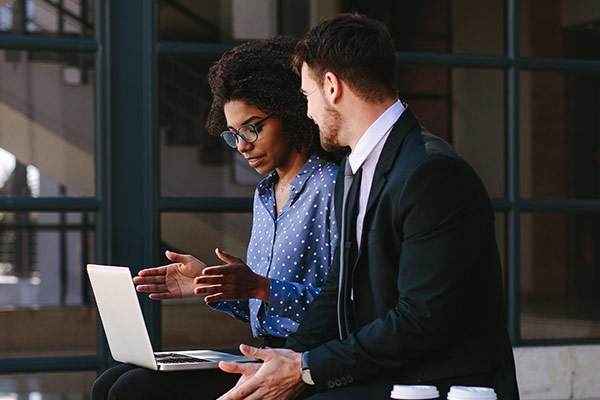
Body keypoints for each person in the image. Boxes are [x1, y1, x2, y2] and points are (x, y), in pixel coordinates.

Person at [213, 13, 520, 400]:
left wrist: (306, 369)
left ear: (331, 87)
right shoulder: (353, 170)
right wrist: (286, 358)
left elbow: (421, 321)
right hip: (379, 375)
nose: (306, 112)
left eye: (307, 97)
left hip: (438, 385)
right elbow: (336, 288)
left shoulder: (433, 173)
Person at [91, 36, 342, 400]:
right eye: (234, 134)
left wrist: (259, 286)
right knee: (109, 382)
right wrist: (210, 287)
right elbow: (264, 307)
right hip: (261, 354)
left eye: (252, 128)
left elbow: (347, 306)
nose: (242, 145)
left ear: (288, 110)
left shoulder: (330, 187)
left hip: (305, 361)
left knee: (132, 389)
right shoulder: (264, 193)